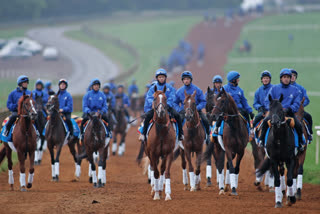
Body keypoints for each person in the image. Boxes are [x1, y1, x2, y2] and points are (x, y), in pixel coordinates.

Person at [259, 68, 304, 151]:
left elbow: (297, 103)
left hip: (289, 113)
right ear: (281, 78)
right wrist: (272, 109)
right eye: (284, 77)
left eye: (288, 77)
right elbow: (267, 101)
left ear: (290, 78)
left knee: (298, 125)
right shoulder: (274, 88)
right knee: (265, 121)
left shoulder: (295, 90)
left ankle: (301, 142)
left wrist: (289, 109)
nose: (286, 79)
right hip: (275, 114)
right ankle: (261, 140)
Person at [139, 68, 183, 142]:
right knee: (147, 117)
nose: (161, 78)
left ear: (165, 78)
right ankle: (143, 134)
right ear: (157, 78)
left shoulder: (170, 88)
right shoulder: (152, 88)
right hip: (156, 108)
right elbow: (149, 97)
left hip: (167, 107)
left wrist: (167, 104)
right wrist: (153, 103)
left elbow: (172, 97)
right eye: (159, 77)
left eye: (163, 77)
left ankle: (181, 134)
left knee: (177, 116)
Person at [174, 71, 210, 138]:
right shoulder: (179, 91)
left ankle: (208, 136)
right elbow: (175, 103)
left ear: (190, 80)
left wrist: (197, 108)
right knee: (178, 120)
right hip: (184, 111)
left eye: (187, 79)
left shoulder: (197, 90)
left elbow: (203, 101)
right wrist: (179, 109)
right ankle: (178, 136)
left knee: (205, 120)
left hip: (196, 110)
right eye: (184, 79)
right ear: (182, 81)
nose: (186, 81)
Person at [290, 68, 313, 140]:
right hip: (288, 110)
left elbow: (306, 99)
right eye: (291, 75)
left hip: (298, 110)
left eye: (294, 75)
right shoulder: (284, 88)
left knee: (308, 117)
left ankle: (309, 134)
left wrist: (301, 106)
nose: (293, 77)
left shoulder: (301, 88)